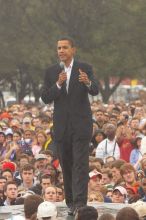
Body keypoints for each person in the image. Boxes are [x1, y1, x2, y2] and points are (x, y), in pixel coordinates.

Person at [41, 37, 98, 215]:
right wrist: (58, 84)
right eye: (59, 48)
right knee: (66, 165)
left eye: (65, 47)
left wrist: (87, 81)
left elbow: (95, 89)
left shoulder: (85, 68)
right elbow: (45, 97)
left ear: (73, 49)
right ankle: (71, 202)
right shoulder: (51, 72)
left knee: (80, 164)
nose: (61, 51)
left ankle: (80, 203)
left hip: (81, 125)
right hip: (62, 126)